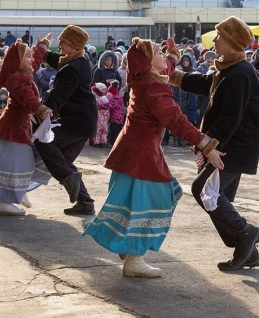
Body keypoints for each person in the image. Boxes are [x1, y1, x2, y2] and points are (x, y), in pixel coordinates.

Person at [83, 37, 224, 278]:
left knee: (131, 202)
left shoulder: (143, 77)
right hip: (143, 154)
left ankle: (128, 249)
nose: (163, 56)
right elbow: (175, 119)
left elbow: (163, 67)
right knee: (159, 200)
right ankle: (135, 257)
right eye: (157, 52)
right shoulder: (152, 85)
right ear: (148, 62)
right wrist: (205, 145)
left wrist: (173, 56)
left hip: (130, 151)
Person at [167, 16, 259, 271]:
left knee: (203, 191)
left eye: (220, 36)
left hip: (232, 148)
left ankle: (246, 232)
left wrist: (208, 145)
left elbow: (230, 118)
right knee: (217, 200)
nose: (215, 40)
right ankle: (248, 252)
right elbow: (204, 83)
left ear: (231, 42)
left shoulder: (241, 73)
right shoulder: (228, 69)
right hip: (227, 146)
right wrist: (172, 75)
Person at [0, 36, 53, 216]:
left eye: (31, 56)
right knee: (16, 165)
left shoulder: (22, 73)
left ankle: (17, 192)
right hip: (13, 129)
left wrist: (43, 45)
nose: (32, 59)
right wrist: (40, 108)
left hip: (17, 128)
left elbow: (36, 61)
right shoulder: (17, 78)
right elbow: (27, 97)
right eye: (27, 56)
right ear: (18, 61)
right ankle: (6, 202)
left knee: (22, 164)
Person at [34, 25, 99, 215]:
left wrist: (43, 111)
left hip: (76, 122)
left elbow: (58, 96)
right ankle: (85, 203)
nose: (60, 45)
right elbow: (60, 61)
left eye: (63, 42)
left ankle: (69, 178)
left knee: (43, 142)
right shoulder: (81, 60)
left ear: (71, 44)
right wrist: (43, 50)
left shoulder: (71, 68)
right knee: (63, 161)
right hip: (85, 122)